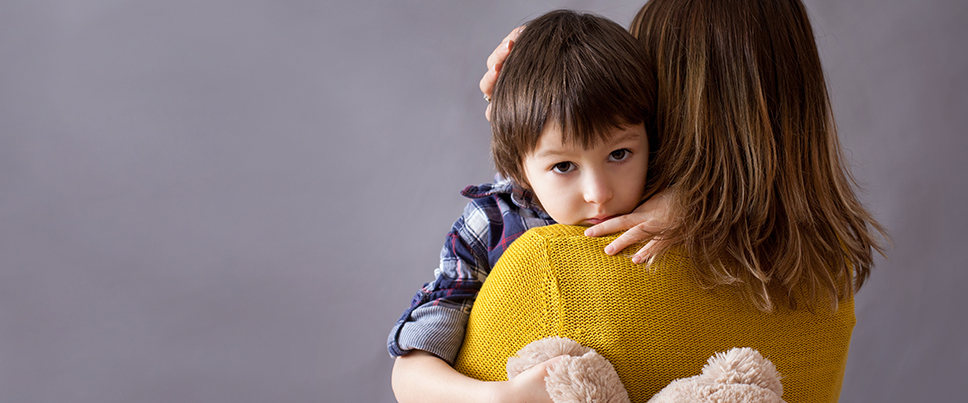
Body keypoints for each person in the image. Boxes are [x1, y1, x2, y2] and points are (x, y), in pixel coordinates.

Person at [389, 10, 660, 403]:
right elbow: (411, 370)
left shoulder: (665, 194)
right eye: (563, 166)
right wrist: (500, 398)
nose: (598, 193)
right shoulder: (495, 224)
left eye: (619, 154)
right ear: (519, 167)